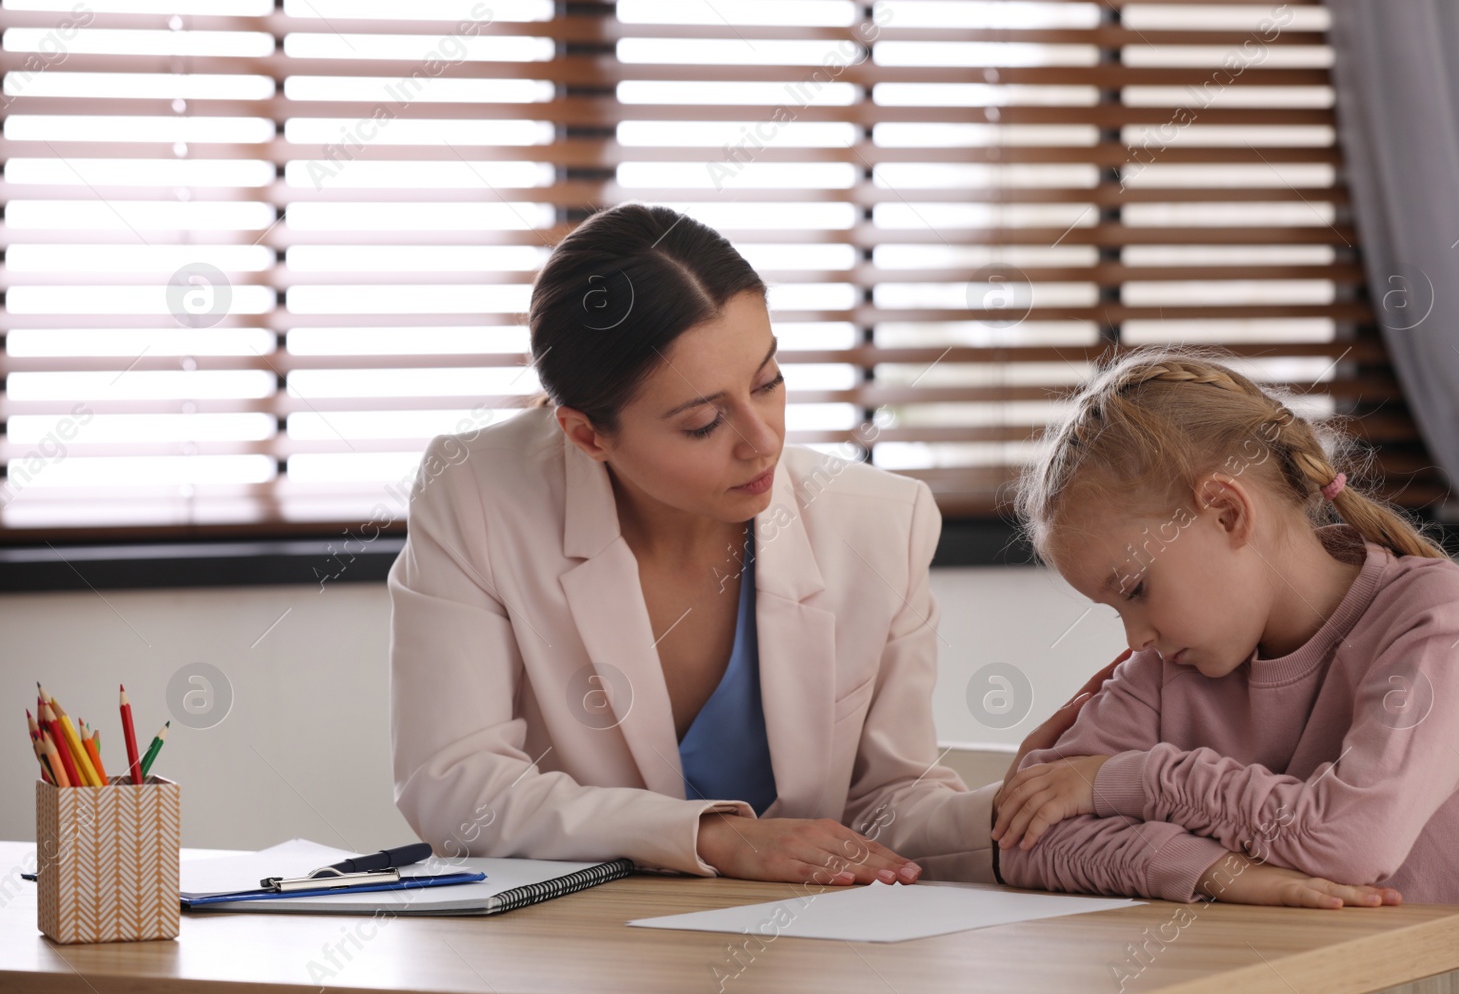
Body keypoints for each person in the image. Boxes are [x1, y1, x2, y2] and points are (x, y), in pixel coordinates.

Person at [387, 202, 1089, 886]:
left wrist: (1017, 810)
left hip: (805, 959)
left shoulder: (879, 522)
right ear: (587, 435)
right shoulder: (478, 492)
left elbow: (885, 802)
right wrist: (712, 837)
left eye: (768, 382)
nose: (763, 441)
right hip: (579, 957)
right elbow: (455, 784)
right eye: (702, 422)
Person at [988, 348, 1459, 994]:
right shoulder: (1171, 666)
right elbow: (1026, 838)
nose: (1134, 638)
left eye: (1136, 590)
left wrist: (1130, 779)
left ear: (1226, 512)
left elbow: (1349, 841)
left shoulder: (1433, 617)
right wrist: (1216, 871)